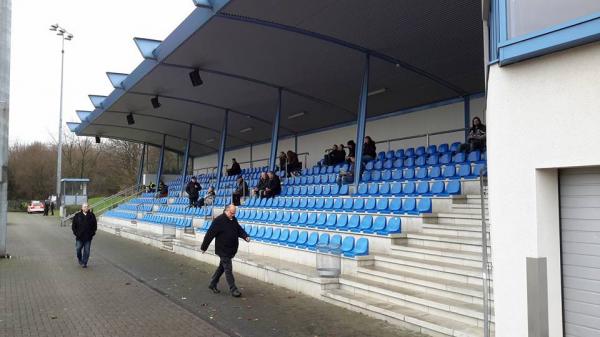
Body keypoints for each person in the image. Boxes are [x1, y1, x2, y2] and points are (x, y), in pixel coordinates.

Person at [201, 204, 250, 297]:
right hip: (223, 249)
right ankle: (233, 289)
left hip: (231, 249)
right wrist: (204, 247)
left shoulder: (233, 219)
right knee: (228, 269)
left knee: (222, 267)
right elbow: (209, 234)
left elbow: (239, 229)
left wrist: (245, 236)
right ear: (226, 211)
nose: (233, 215)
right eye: (232, 213)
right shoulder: (218, 221)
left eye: (234, 213)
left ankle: (212, 284)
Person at [71, 203, 97, 268]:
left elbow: (95, 226)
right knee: (78, 249)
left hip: (88, 237)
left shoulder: (92, 215)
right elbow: (73, 226)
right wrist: (76, 233)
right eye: (84, 207)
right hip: (79, 237)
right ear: (82, 208)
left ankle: (84, 263)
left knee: (87, 251)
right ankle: (80, 259)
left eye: (87, 207)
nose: (86, 208)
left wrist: (92, 233)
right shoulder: (77, 215)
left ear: (89, 207)